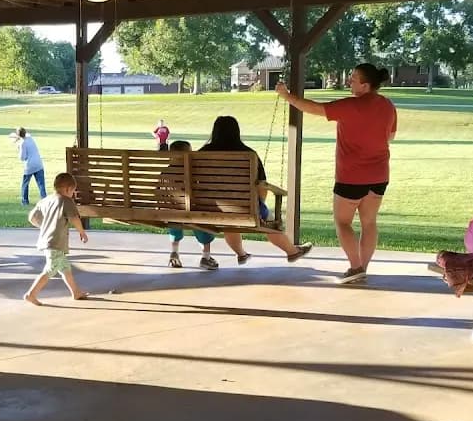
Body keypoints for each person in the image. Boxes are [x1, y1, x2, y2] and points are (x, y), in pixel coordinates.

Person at [277, 63, 396, 283]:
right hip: (379, 175)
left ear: (365, 85)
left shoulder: (351, 105)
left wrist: (287, 96)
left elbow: (313, 108)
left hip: (351, 176)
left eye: (353, 78)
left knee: (343, 222)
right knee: (369, 222)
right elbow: (391, 136)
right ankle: (363, 268)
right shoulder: (388, 105)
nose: (349, 80)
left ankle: (355, 267)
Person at [200, 116, 312, 265]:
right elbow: (261, 186)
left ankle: (241, 254)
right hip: (244, 209)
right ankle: (292, 252)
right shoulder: (248, 154)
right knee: (269, 219)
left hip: (211, 208)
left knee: (229, 222)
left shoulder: (202, 153)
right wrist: (259, 205)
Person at [24, 172, 89, 305]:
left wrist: (45, 226)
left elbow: (32, 217)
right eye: (73, 191)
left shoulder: (46, 200)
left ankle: (76, 292)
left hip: (47, 240)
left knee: (65, 267)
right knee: (50, 269)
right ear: (67, 189)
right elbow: (74, 218)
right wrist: (82, 232)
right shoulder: (66, 201)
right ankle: (31, 294)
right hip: (55, 242)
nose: (72, 194)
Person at [161, 140, 218, 269]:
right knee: (202, 223)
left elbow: (161, 191)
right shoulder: (195, 172)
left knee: (174, 218)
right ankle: (206, 257)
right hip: (195, 211)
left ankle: (174, 253)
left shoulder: (166, 172)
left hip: (172, 211)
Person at [15, 127, 46, 206]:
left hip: (29, 166)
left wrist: (18, 147)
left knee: (25, 184)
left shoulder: (22, 143)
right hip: (39, 163)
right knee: (41, 184)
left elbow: (22, 157)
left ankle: (25, 201)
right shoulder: (30, 138)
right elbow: (25, 136)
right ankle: (45, 200)